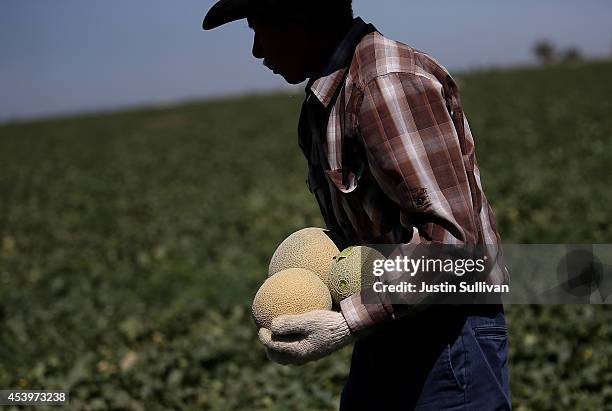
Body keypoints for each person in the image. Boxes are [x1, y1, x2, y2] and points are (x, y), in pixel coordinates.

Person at [203, 1, 511, 409]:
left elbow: (455, 248)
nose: (257, 51)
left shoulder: (386, 85)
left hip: (449, 334)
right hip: (390, 325)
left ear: (304, 20)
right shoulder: (326, 101)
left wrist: (346, 321)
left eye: (261, 30)